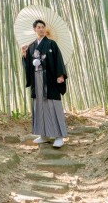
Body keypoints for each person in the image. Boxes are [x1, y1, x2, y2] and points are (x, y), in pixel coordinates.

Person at [22, 19, 68, 148]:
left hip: (49, 79)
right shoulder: (31, 46)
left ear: (45, 29)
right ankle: (44, 135)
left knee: (53, 105)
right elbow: (28, 64)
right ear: (34, 29)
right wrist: (25, 55)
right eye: (38, 27)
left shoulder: (51, 44)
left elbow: (58, 59)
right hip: (37, 80)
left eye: (43, 27)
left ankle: (59, 136)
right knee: (40, 106)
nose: (41, 29)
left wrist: (60, 75)